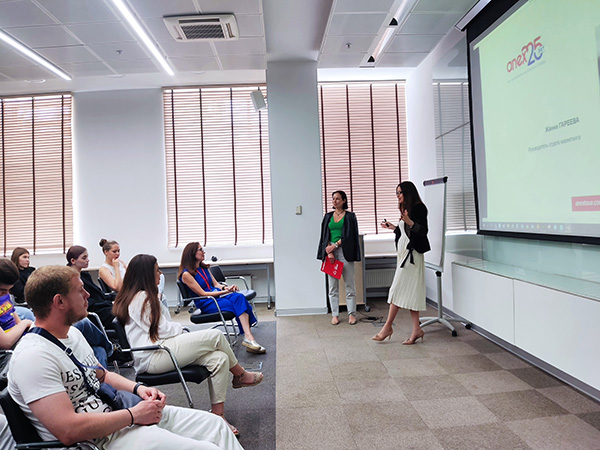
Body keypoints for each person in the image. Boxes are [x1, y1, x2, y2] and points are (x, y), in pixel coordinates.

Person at [8, 265, 243, 450]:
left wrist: (138, 389)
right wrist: (133, 415)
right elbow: (68, 431)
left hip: (119, 418)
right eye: (80, 290)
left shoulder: (73, 334)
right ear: (59, 301)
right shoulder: (33, 357)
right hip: (99, 440)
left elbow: (101, 375)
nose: (88, 294)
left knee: (215, 425)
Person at [113, 254, 263, 437]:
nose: (160, 274)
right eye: (157, 270)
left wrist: (177, 328)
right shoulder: (141, 299)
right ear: (146, 274)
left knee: (220, 358)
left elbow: (163, 329)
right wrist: (182, 329)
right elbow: (163, 330)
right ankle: (241, 375)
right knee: (216, 336)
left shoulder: (145, 296)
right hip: (154, 356)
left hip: (163, 348)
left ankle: (218, 415)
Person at [179, 242, 265, 354]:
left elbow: (216, 285)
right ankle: (248, 338)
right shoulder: (186, 275)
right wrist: (225, 292)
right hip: (207, 302)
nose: (204, 252)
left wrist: (227, 288)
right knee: (239, 304)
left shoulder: (204, 268)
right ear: (192, 253)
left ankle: (248, 337)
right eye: (201, 249)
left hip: (218, 296)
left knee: (239, 297)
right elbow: (203, 293)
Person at [373, 181, 430, 345]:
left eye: (400, 192)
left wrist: (409, 221)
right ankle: (416, 330)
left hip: (412, 256)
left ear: (408, 192)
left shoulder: (419, 208)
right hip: (404, 255)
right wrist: (394, 227)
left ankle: (387, 327)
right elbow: (406, 232)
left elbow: (423, 231)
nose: (397, 195)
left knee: (396, 289)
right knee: (411, 292)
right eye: (396, 193)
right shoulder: (407, 209)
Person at [317, 190, 361, 325]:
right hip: (331, 252)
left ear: (344, 201)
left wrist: (335, 246)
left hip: (345, 251)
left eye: (337, 199)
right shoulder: (328, 216)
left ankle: (351, 314)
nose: (334, 201)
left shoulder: (350, 216)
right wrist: (329, 251)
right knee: (332, 286)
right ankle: (335, 314)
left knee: (349, 285)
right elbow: (324, 236)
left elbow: (350, 236)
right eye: (333, 199)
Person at [67, 245, 116, 330]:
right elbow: (89, 303)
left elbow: (99, 295)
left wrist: (119, 298)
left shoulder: (85, 276)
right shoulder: (71, 280)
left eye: (87, 257)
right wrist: (111, 303)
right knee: (124, 313)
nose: (87, 260)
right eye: (84, 258)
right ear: (73, 261)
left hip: (103, 307)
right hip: (95, 313)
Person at [0, 259, 34, 349]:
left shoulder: (4, 296)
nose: (7, 293)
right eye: (3, 290)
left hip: (14, 335)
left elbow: (16, 320)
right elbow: (5, 343)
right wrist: (25, 323)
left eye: (9, 289)